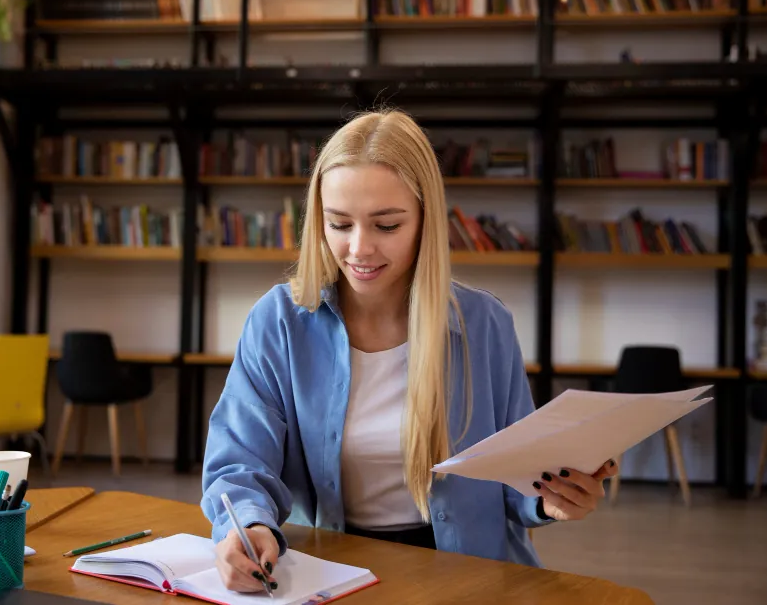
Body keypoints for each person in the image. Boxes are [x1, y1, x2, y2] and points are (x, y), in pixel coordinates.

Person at [200, 109, 619, 594]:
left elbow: (518, 480)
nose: (359, 249)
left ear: (424, 220)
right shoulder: (277, 323)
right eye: (339, 224)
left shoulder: (484, 325)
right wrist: (248, 525)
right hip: (328, 572)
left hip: (468, 577)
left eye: (386, 226)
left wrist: (553, 500)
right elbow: (239, 460)